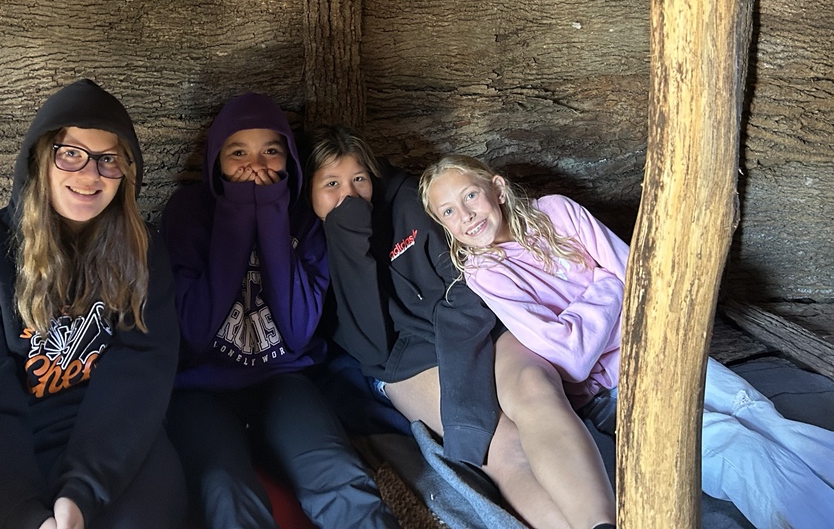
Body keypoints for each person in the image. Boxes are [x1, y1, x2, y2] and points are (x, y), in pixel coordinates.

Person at [420, 153, 834, 529]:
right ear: (445, 226)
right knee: (732, 445)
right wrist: (606, 286)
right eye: (450, 211)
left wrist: (608, 297)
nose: (467, 215)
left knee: (761, 415)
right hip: (611, 392)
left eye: (471, 195)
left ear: (498, 188)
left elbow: (641, 282)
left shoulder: (557, 213)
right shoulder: (485, 273)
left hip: (659, 350)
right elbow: (571, 356)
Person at [305, 125, 615, 529]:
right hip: (406, 362)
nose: (349, 194)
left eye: (359, 179)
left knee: (536, 392)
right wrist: (349, 236)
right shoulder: (309, 243)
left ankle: (600, 523)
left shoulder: (407, 203)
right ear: (308, 191)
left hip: (476, 325)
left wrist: (464, 363)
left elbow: (465, 284)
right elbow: (372, 347)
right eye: (331, 183)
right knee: (502, 447)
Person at [0, 79, 187, 529]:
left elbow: (139, 377)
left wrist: (81, 493)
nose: (90, 174)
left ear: (126, 172)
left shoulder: (143, 251)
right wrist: (23, 515)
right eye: (71, 153)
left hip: (106, 437)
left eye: (108, 159)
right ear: (41, 157)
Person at [160, 95, 397, 529]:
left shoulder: (304, 217)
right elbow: (193, 331)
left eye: (270, 150)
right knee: (226, 491)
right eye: (238, 153)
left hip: (285, 377)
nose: (256, 165)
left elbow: (298, 331)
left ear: (288, 159)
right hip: (199, 388)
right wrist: (235, 214)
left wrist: (269, 214)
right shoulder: (188, 212)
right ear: (216, 161)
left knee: (342, 480)